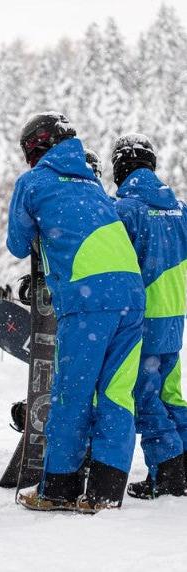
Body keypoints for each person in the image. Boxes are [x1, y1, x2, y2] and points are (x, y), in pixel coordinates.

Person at [7, 112, 145, 513]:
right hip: (131, 294)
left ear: (34, 148)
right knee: (118, 393)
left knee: (73, 395)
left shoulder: (33, 182)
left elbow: (18, 243)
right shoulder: (94, 184)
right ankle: (104, 492)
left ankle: (58, 489)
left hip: (88, 299)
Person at [112, 133, 187, 499]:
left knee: (144, 395)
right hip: (175, 313)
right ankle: (183, 463)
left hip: (144, 316)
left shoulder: (125, 210)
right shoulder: (180, 208)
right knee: (170, 392)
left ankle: (169, 470)